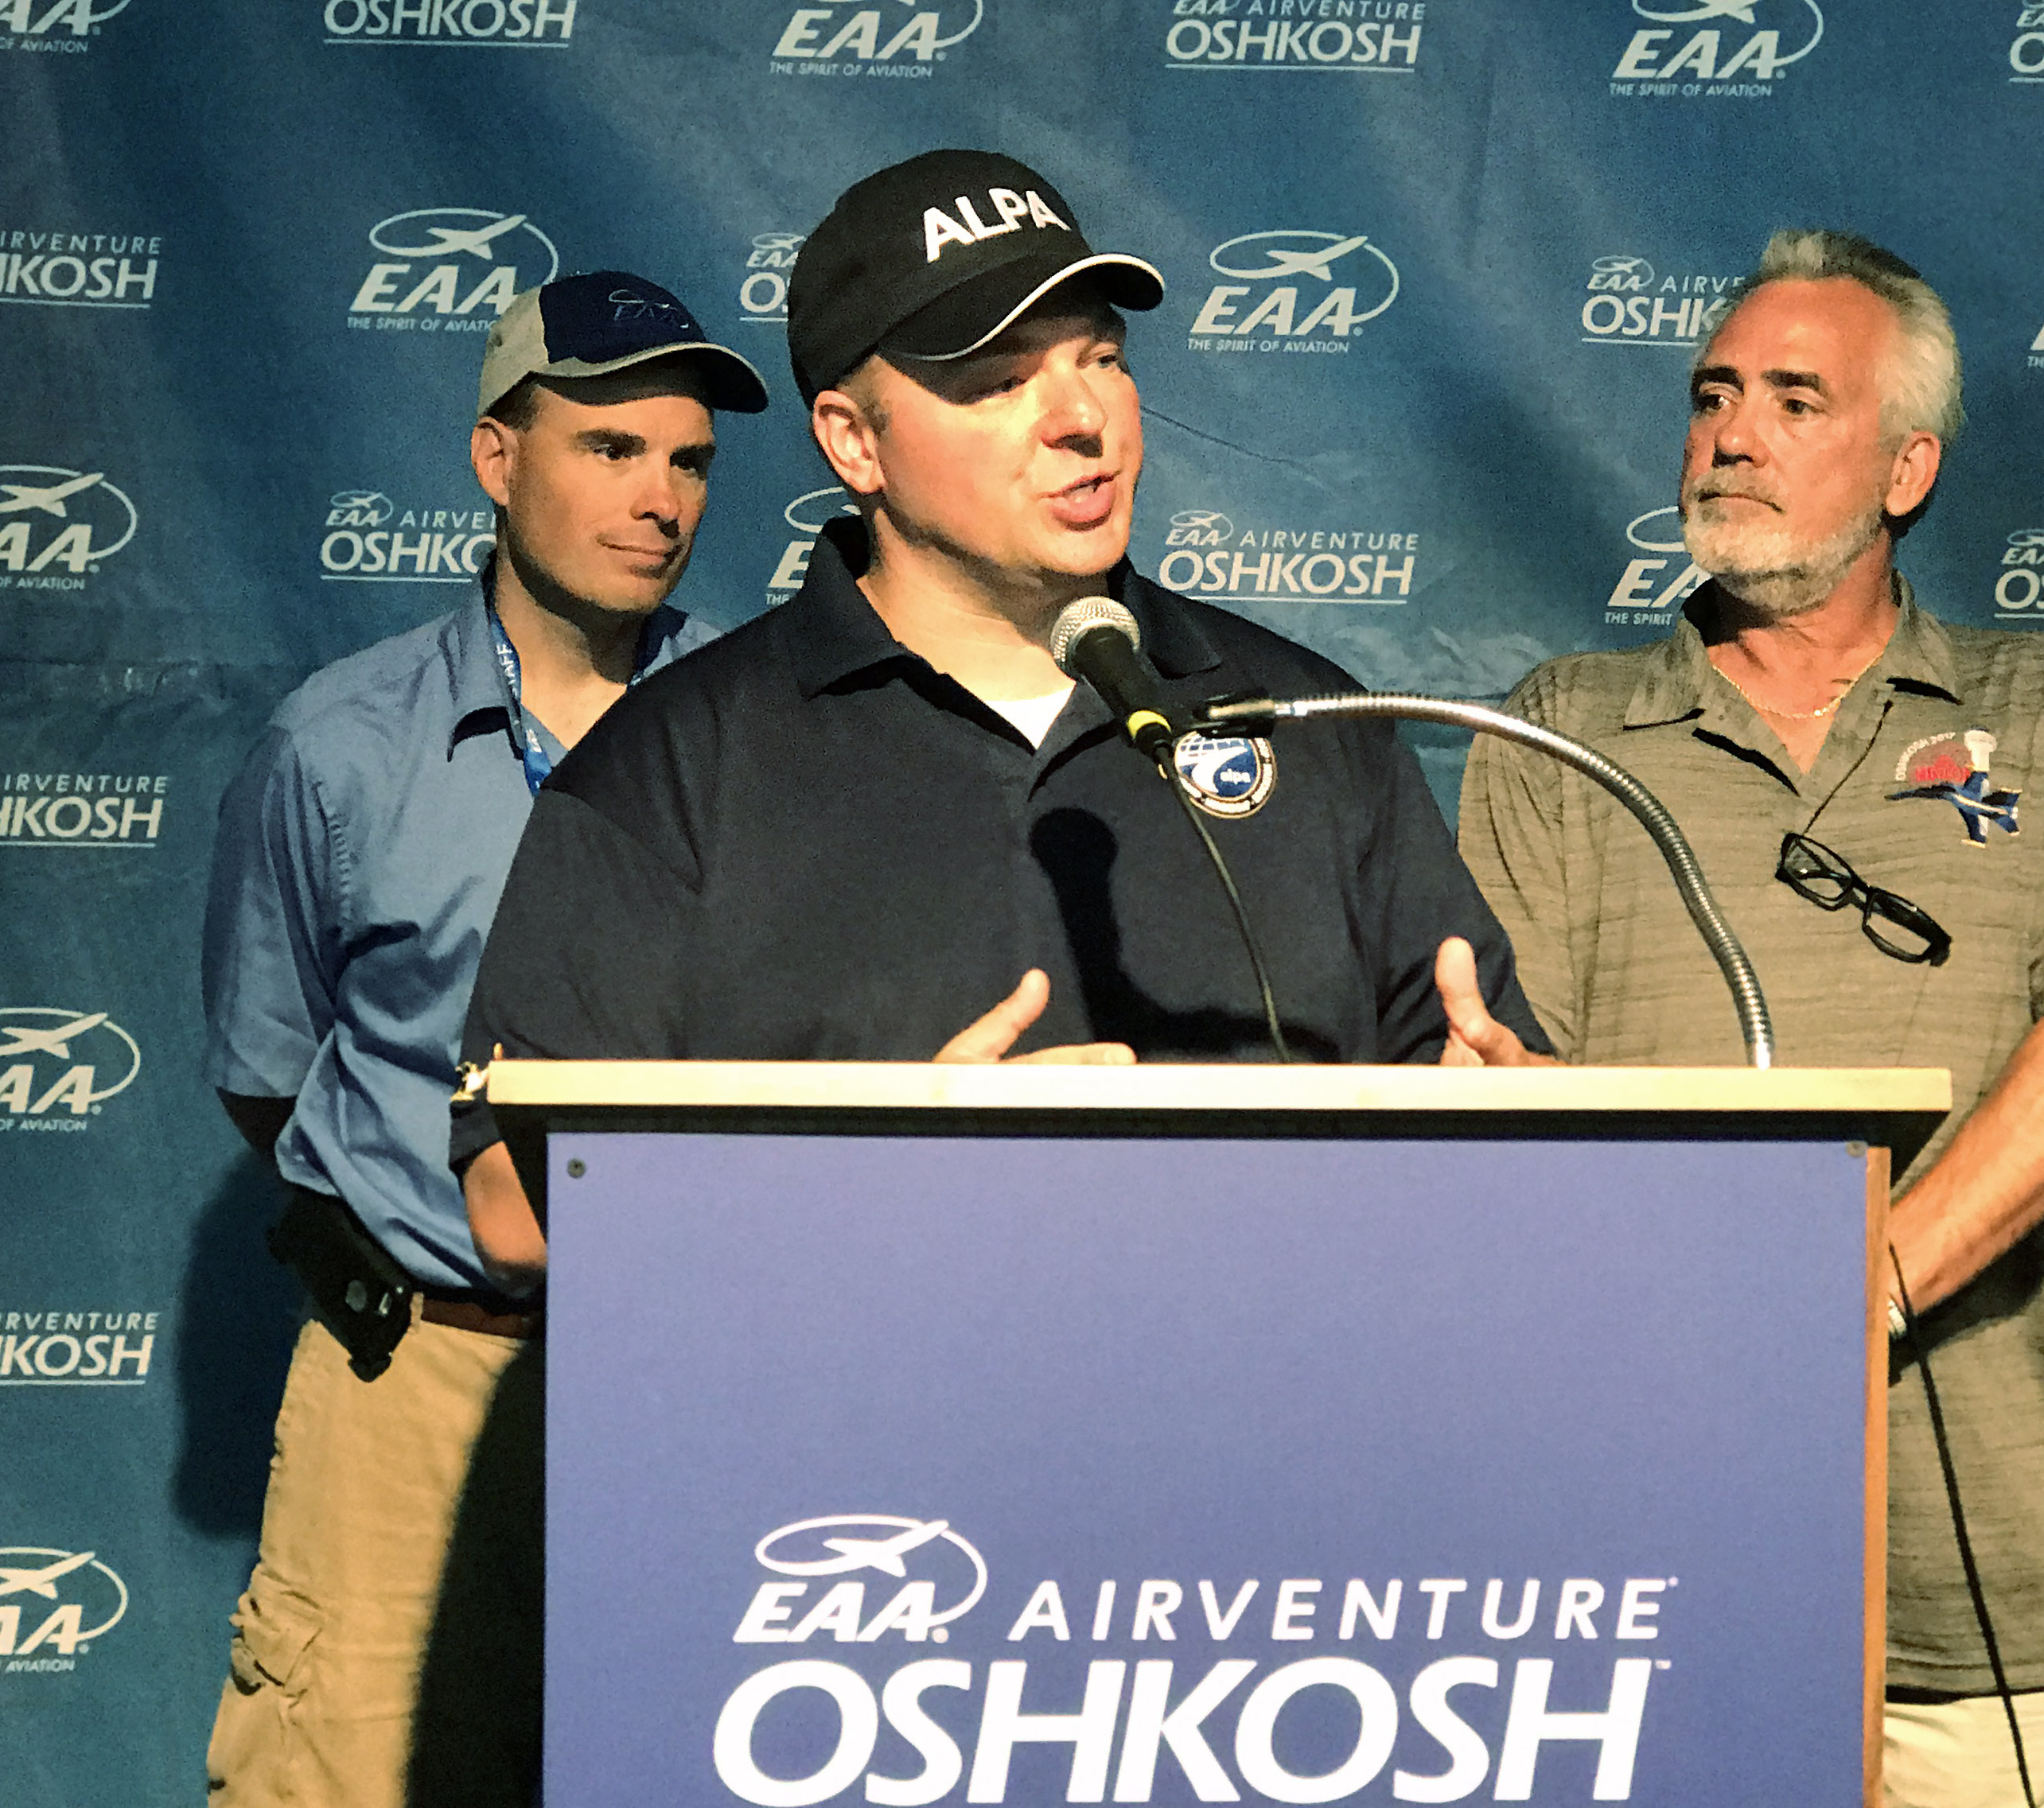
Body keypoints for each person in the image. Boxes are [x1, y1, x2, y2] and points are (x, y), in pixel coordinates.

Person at [450, 149, 1544, 1280]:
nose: (1083, 417)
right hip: (857, 1437)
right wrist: (905, 1185)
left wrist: (1511, 1135)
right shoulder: (670, 768)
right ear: (854, 442)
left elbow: (1481, 1072)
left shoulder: (1305, 720)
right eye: (1000, 379)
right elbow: (515, 1206)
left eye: (1102, 359)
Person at [1458, 231, 2044, 1808]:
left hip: (1979, 1606)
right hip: (1640, 1581)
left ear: (1905, 467)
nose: (1730, 433)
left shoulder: (2041, 711)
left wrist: (1850, 1300)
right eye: (1713, 395)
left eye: (1794, 399)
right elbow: (1510, 1092)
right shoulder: (1561, 729)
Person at [198, 270, 765, 1805]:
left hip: (703, 1389)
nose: (659, 499)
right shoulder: (338, 748)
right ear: (495, 457)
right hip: (419, 1382)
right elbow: (274, 1074)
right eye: (609, 448)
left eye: (689, 460)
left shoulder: (770, 738)